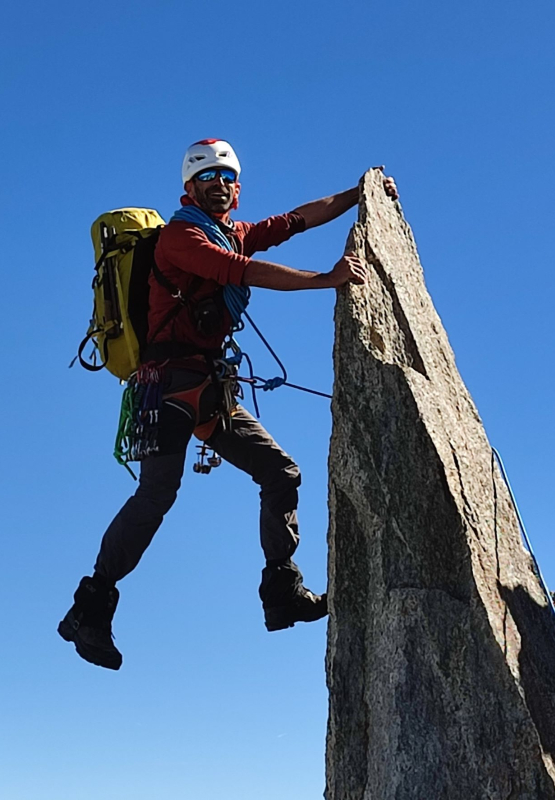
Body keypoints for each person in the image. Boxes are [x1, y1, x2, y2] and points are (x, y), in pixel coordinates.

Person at [59, 139, 398, 670]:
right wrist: (326, 280)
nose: (219, 184)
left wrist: (361, 194)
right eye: (207, 177)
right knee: (156, 495)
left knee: (281, 472)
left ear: (236, 189)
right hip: (167, 384)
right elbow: (243, 273)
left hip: (208, 388)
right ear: (188, 188)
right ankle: (89, 610)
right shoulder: (181, 236)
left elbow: (295, 220)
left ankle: (282, 591)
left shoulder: (231, 232)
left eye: (227, 177)